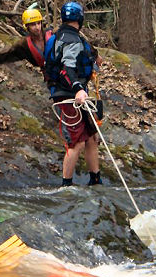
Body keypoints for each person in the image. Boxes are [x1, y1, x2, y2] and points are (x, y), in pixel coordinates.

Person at [45, 1, 102, 186]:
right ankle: (66, 186)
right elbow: (67, 67)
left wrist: (94, 57)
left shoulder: (68, 36)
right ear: (80, 19)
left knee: (92, 138)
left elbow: (84, 55)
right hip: (68, 94)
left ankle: (95, 181)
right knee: (76, 142)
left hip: (76, 93)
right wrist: (78, 88)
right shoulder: (70, 39)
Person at [0, 8, 52, 78]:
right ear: (27, 27)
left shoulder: (54, 35)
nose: (37, 27)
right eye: (33, 25)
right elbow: (4, 54)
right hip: (53, 80)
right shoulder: (24, 45)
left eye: (38, 23)